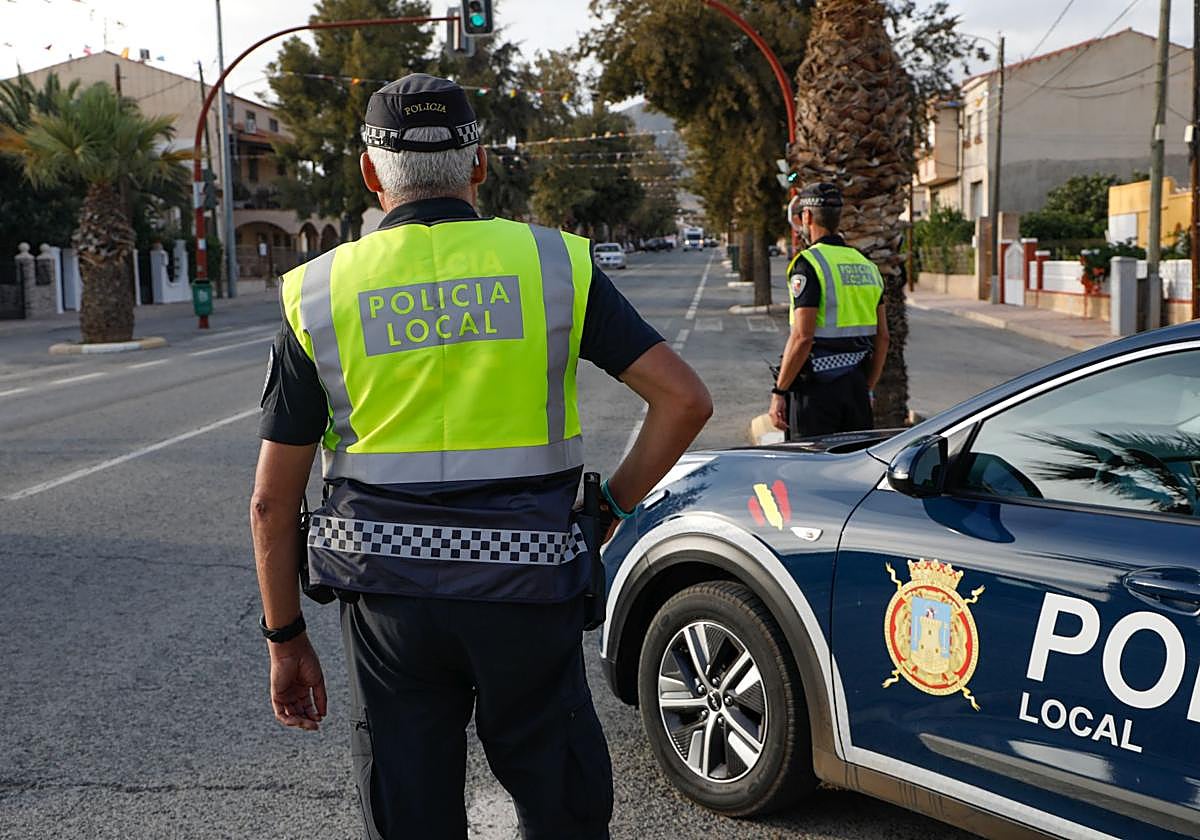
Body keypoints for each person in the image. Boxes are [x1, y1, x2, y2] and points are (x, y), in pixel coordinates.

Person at [249, 73, 712, 840]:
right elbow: (684, 400)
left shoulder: (320, 291)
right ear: (480, 165)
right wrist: (610, 509)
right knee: (561, 805)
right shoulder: (553, 266)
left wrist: (284, 636)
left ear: (370, 174)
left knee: (410, 813)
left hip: (387, 605)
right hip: (530, 585)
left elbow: (270, 502)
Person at [768, 182, 889, 439]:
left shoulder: (809, 264)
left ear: (807, 217)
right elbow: (883, 338)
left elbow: (802, 337)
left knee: (809, 472)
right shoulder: (867, 265)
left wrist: (779, 392)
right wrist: (867, 388)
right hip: (856, 387)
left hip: (815, 393)